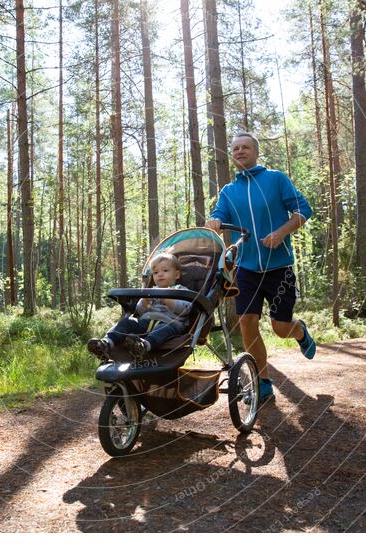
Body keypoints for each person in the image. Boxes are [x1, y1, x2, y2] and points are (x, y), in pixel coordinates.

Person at [205, 131, 316, 403]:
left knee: (280, 327)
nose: (240, 151)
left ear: (255, 152)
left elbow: (304, 210)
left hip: (279, 266)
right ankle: (263, 382)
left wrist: (281, 232)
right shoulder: (229, 191)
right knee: (247, 322)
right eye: (235, 149)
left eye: (245, 147)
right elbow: (219, 215)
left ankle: (299, 331)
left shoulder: (276, 179)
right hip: (246, 268)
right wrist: (214, 222)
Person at [87, 253, 191, 360]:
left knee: (162, 330)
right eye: (155, 272)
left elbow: (186, 310)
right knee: (126, 322)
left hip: (169, 324)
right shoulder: (150, 291)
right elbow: (140, 311)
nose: (160, 274)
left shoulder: (180, 290)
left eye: (165, 271)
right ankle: (106, 343)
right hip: (145, 323)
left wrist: (168, 300)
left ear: (177, 274)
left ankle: (143, 346)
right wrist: (144, 302)